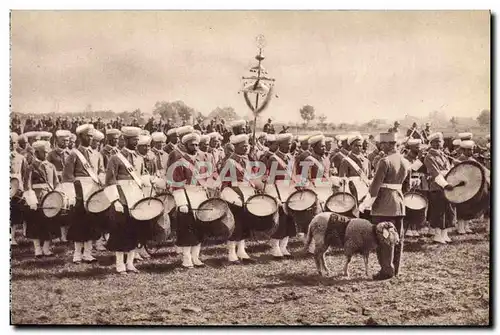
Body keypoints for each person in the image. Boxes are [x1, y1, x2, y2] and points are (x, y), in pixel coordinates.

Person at [359, 132, 410, 280]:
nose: (381, 147)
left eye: (382, 144)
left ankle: (386, 270)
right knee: (397, 238)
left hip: (383, 205)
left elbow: (375, 187)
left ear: (387, 144)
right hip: (399, 204)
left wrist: (364, 205)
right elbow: (406, 186)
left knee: (384, 238)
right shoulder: (405, 161)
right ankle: (395, 269)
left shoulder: (384, 161)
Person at [105, 126, 145, 274]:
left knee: (134, 230)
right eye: (134, 139)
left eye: (137, 139)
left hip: (136, 198)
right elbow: (110, 180)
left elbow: (140, 179)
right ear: (126, 140)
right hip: (121, 199)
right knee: (120, 232)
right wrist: (115, 200)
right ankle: (119, 264)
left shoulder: (139, 158)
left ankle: (130, 263)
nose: (136, 142)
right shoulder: (115, 158)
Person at [62, 124, 101, 264]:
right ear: (80, 137)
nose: (90, 139)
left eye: (92, 136)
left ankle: (88, 253)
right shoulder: (73, 154)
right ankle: (77, 254)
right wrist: (72, 194)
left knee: (92, 222)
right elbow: (67, 176)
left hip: (93, 190)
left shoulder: (97, 154)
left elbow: (101, 172)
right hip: (79, 191)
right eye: (87, 136)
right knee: (79, 222)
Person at [219, 134, 257, 264]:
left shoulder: (248, 160)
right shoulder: (230, 161)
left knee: (245, 224)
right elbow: (224, 181)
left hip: (247, 193)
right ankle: (231, 253)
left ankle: (242, 251)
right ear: (235, 147)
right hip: (234, 195)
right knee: (236, 225)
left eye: (247, 146)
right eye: (243, 146)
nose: (246, 148)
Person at [22, 140, 60, 257]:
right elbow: (27, 185)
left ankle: (46, 248)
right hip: (37, 199)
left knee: (50, 223)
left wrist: (57, 195)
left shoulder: (50, 165)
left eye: (47, 152)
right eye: (44, 152)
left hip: (49, 197)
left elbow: (56, 183)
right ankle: (37, 249)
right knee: (35, 224)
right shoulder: (31, 167)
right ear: (37, 153)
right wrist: (31, 200)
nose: (47, 154)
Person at [265, 133, 297, 258]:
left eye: (290, 144)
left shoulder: (290, 158)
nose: (289, 146)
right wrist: (274, 196)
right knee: (280, 221)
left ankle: (284, 247)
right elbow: (270, 180)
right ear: (279, 145)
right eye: (287, 144)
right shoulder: (273, 159)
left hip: (289, 190)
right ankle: (275, 248)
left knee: (290, 220)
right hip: (279, 190)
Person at [423, 132, 457, 244]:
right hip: (437, 187)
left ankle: (445, 234)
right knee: (439, 211)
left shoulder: (443, 155)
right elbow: (435, 174)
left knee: (449, 210)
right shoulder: (429, 157)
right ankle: (437, 235)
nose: (438, 144)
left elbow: (450, 169)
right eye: (435, 142)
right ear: (431, 143)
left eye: (439, 141)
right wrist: (445, 184)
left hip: (447, 185)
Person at [46, 129, 72, 242]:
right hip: (56, 183)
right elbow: (47, 167)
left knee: (68, 208)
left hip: (68, 183)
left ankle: (65, 234)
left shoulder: (71, 153)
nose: (66, 143)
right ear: (57, 141)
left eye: (67, 141)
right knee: (57, 207)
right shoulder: (51, 154)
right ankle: (56, 234)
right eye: (63, 141)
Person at [10, 132, 27, 246]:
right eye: (9, 142)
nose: (11, 145)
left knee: (14, 213)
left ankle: (12, 236)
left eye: (14, 142)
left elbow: (24, 174)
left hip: (16, 188)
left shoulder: (21, 158)